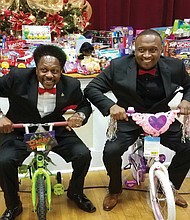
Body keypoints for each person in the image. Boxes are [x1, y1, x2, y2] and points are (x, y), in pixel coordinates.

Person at [84, 29, 190, 211]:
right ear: (134, 48)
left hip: (160, 119)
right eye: (141, 50)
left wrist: (186, 100)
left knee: (188, 147)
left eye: (153, 50)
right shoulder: (118, 66)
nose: (146, 55)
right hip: (129, 118)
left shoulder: (175, 66)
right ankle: (115, 189)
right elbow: (92, 88)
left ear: (161, 49)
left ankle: (169, 187)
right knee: (111, 151)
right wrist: (111, 106)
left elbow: (189, 86)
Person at [0, 44, 96, 220]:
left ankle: (75, 193)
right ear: (36, 68)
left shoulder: (71, 85)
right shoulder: (17, 77)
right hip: (20, 129)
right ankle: (13, 205)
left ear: (61, 71)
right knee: (4, 161)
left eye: (55, 71)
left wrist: (80, 115)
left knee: (83, 155)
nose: (49, 75)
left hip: (54, 129)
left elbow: (84, 105)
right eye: (44, 70)